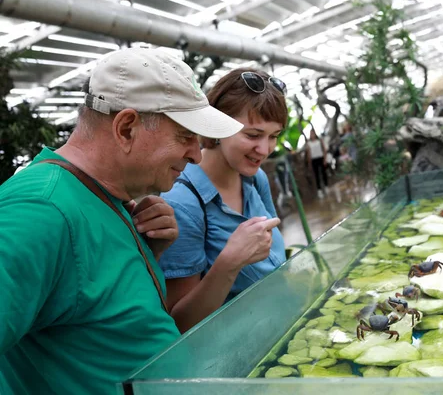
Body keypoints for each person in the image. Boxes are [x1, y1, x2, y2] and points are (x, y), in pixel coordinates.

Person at [0, 47, 255, 395]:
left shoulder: (106, 195)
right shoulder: (40, 210)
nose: (196, 154)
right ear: (126, 129)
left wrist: (151, 254)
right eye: (184, 136)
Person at [158, 68, 287, 333]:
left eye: (273, 136)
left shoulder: (255, 178)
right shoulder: (183, 202)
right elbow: (181, 323)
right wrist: (229, 262)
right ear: (218, 125)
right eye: (252, 135)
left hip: (277, 323)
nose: (265, 150)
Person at [306, 128, 329, 198]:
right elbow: (308, 153)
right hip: (314, 160)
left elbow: (324, 149)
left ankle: (326, 186)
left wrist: (325, 159)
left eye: (313, 133)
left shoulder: (319, 140)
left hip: (321, 158)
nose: (312, 135)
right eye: (311, 134)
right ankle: (319, 190)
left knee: (323, 172)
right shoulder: (308, 143)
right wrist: (309, 163)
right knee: (316, 175)